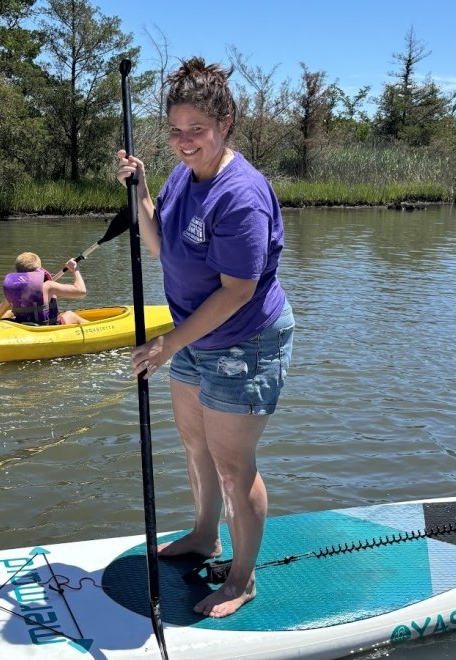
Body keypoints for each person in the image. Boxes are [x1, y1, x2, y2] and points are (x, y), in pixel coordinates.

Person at [116, 57, 294, 619]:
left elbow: (238, 290)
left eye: (197, 130)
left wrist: (168, 342)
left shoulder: (241, 195)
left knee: (232, 464)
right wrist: (141, 189)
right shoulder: (179, 178)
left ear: (225, 124)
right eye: (176, 129)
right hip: (193, 335)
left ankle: (241, 579)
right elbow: (159, 246)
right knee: (194, 446)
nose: (185, 141)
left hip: (245, 340)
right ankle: (203, 535)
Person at [0, 252, 89, 325]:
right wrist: (75, 269)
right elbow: (81, 291)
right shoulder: (48, 286)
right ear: (39, 269)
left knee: (9, 312)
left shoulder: (13, 290)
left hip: (23, 324)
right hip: (45, 327)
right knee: (71, 315)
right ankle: (96, 330)